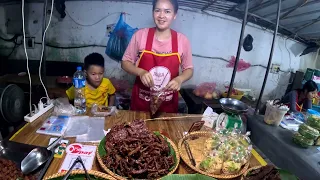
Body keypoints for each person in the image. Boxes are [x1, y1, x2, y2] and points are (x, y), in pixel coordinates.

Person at [121, 0, 193, 113]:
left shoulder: (182, 41)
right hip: (141, 103)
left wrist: (180, 79)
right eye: (157, 10)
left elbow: (189, 69)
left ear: (174, 15)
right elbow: (125, 62)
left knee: (164, 131)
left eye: (167, 11)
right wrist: (140, 72)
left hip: (167, 105)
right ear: (152, 12)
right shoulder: (140, 35)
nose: (161, 16)